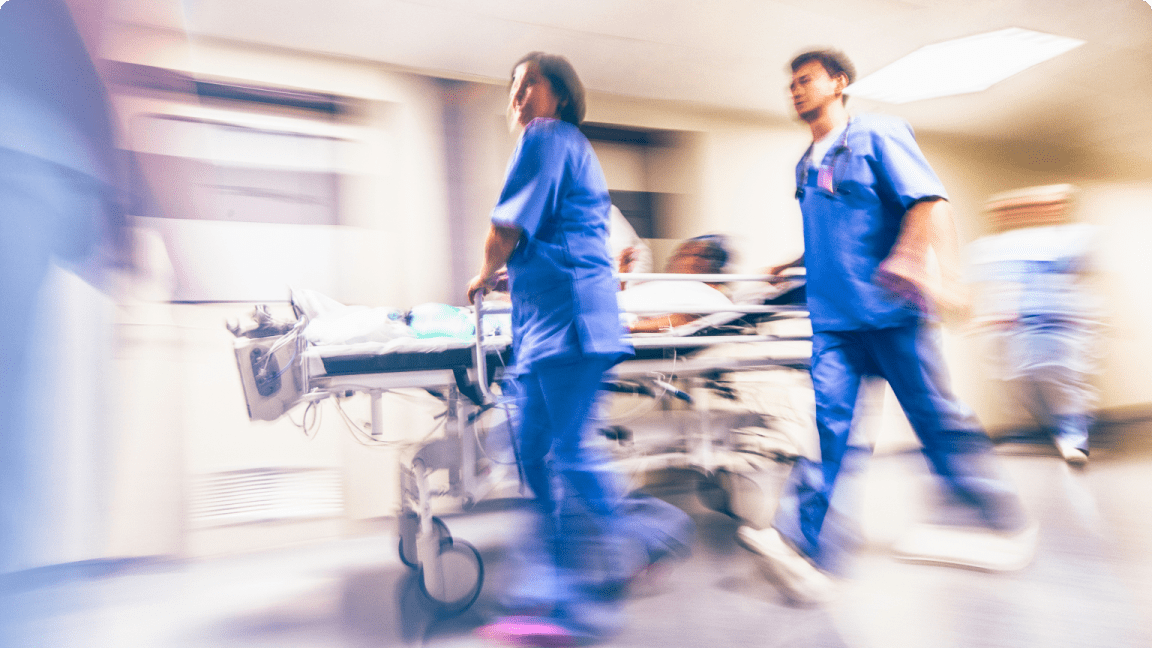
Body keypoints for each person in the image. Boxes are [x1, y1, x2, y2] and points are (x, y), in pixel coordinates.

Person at [738, 49, 1035, 604]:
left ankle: (1000, 523)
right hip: (835, 324)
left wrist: (906, 254)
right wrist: (792, 265)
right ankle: (811, 549)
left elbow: (926, 200)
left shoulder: (876, 134)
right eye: (791, 84)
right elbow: (836, 232)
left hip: (892, 312)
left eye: (806, 81)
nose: (796, 90)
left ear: (839, 84)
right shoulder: (804, 164)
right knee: (830, 432)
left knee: (938, 422)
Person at [467, 52, 691, 644]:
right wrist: (515, 274)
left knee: (564, 455)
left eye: (528, 85)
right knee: (534, 452)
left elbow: (505, 229)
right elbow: (556, 240)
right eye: (511, 88)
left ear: (559, 94)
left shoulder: (547, 137)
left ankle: (569, 604)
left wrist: (484, 271)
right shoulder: (563, 149)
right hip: (549, 327)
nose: (517, 97)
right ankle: (637, 544)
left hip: (570, 327)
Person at [968, 184, 1101, 466]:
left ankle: (1074, 439)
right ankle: (1048, 430)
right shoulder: (994, 247)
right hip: (1017, 329)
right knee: (1021, 381)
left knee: (1064, 384)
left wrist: (1089, 315)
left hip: (1060, 325)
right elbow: (992, 287)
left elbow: (1082, 279)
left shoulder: (1074, 238)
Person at [620, 234, 733, 334]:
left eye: (684, 253)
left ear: (706, 262)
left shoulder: (709, 294)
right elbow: (622, 300)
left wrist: (630, 328)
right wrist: (622, 275)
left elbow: (684, 319)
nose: (673, 258)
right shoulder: (675, 285)